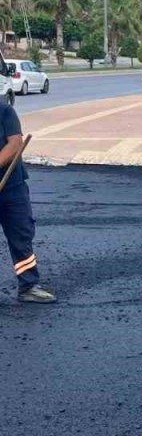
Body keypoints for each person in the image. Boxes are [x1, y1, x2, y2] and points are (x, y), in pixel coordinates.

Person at [0, 102, 54, 304]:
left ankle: (29, 286)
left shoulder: (4, 111)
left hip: (12, 188)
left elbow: (14, 144)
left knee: (21, 235)